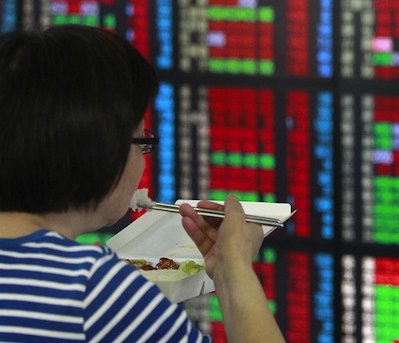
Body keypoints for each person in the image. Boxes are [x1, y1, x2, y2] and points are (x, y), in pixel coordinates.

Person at [0, 24, 285, 343]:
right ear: (100, 150)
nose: (142, 157)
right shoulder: (96, 292)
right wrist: (235, 268)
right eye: (140, 139)